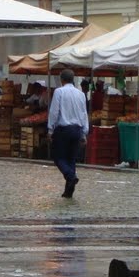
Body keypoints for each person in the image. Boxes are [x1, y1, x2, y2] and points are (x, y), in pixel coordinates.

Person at [48, 68, 90, 198]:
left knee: (58, 157)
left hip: (63, 129)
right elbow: (84, 114)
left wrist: (50, 129)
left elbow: (54, 111)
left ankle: (71, 176)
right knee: (71, 159)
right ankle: (69, 190)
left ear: (62, 80)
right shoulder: (81, 94)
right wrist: (84, 132)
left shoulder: (59, 92)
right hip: (77, 129)